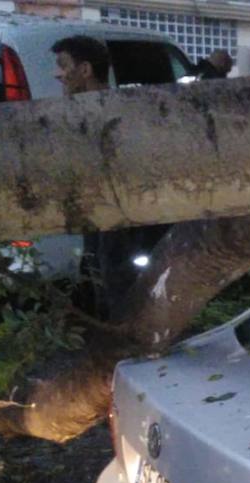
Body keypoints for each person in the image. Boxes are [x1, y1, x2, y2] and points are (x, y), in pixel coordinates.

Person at [51, 35, 168, 318]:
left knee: (115, 285)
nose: (58, 75)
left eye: (63, 66)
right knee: (97, 278)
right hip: (99, 216)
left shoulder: (114, 112)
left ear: (85, 70)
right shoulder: (88, 111)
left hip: (118, 220)